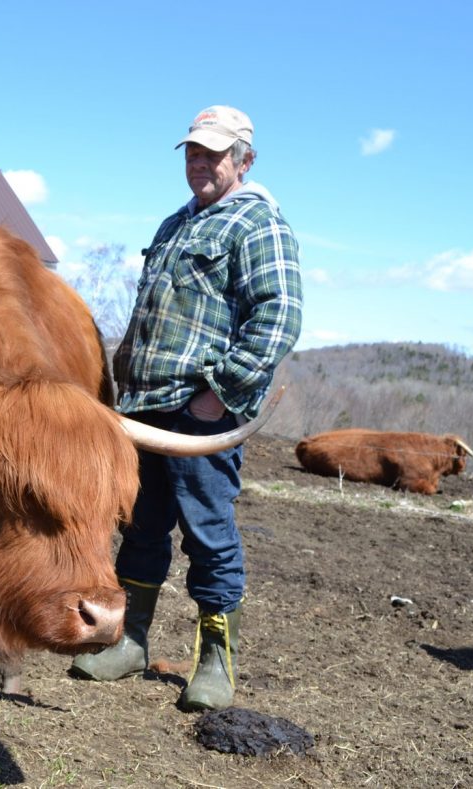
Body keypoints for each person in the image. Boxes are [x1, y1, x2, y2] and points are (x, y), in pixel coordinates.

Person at [71, 106, 303, 711]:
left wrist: (216, 397)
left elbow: (278, 316)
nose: (199, 162)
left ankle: (214, 661)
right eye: (192, 152)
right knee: (141, 523)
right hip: (144, 408)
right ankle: (131, 640)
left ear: (244, 160)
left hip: (203, 415)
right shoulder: (177, 223)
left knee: (209, 532)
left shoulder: (258, 224)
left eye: (214, 153)